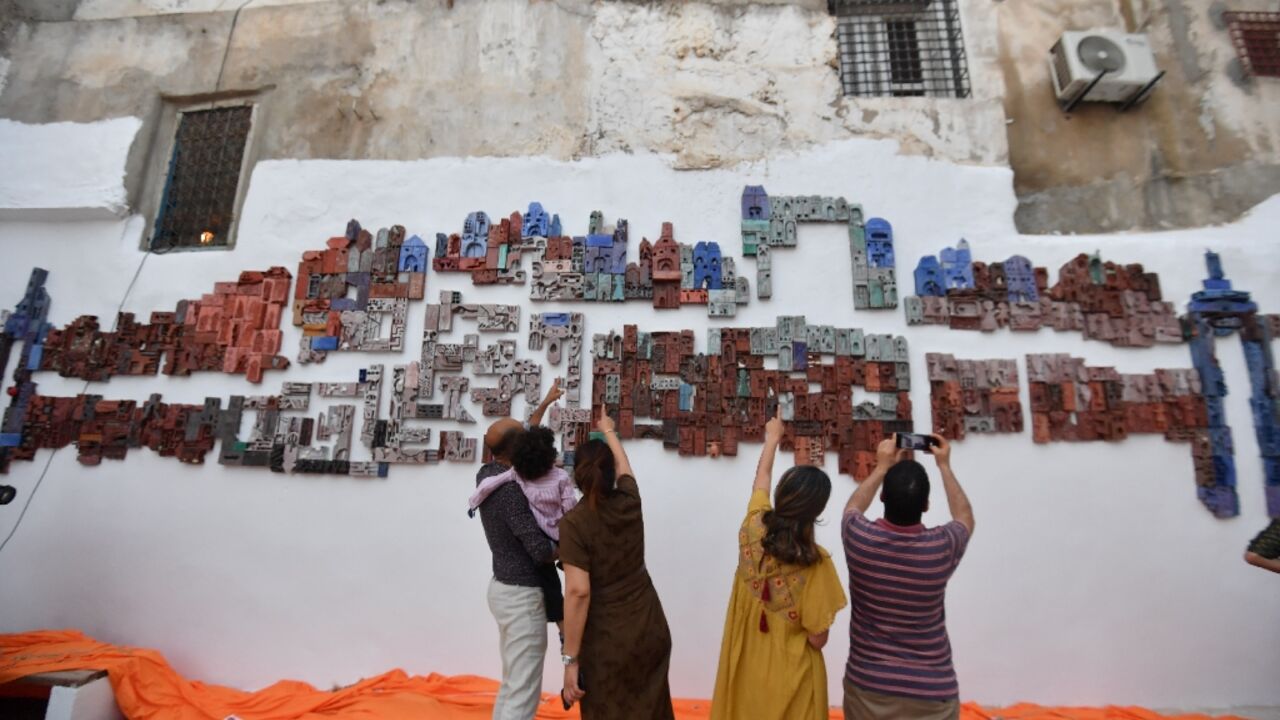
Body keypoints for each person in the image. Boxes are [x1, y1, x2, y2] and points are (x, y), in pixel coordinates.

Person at [710, 409, 847, 720]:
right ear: (816, 511)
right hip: (793, 678)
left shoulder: (753, 527)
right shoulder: (816, 562)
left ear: (781, 496)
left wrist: (772, 438)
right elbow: (817, 638)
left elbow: (761, 480)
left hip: (746, 667)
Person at [841, 434, 974, 720]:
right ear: (926, 505)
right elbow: (965, 518)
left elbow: (852, 508)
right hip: (931, 692)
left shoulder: (859, 538)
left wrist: (880, 466)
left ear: (883, 497)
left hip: (868, 686)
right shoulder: (941, 547)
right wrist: (945, 466)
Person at [559, 414, 674, 719]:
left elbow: (578, 592)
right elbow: (625, 468)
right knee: (652, 708)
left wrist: (570, 660)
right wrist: (609, 431)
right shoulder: (629, 500)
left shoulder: (574, 524)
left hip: (608, 638)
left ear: (576, 477)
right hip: (650, 624)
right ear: (609, 474)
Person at [474, 380, 564, 720]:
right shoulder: (511, 493)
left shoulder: (488, 475)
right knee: (523, 690)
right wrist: (571, 543)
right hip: (521, 596)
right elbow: (540, 551)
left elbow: (524, 433)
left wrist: (545, 403)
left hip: (503, 588)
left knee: (514, 683)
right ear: (517, 452)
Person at [470, 425, 578, 629]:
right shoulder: (559, 477)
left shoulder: (500, 474)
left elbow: (490, 484)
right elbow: (568, 510)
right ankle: (567, 632)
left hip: (508, 574)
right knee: (558, 583)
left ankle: (566, 629)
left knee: (551, 582)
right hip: (550, 545)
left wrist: (474, 500)